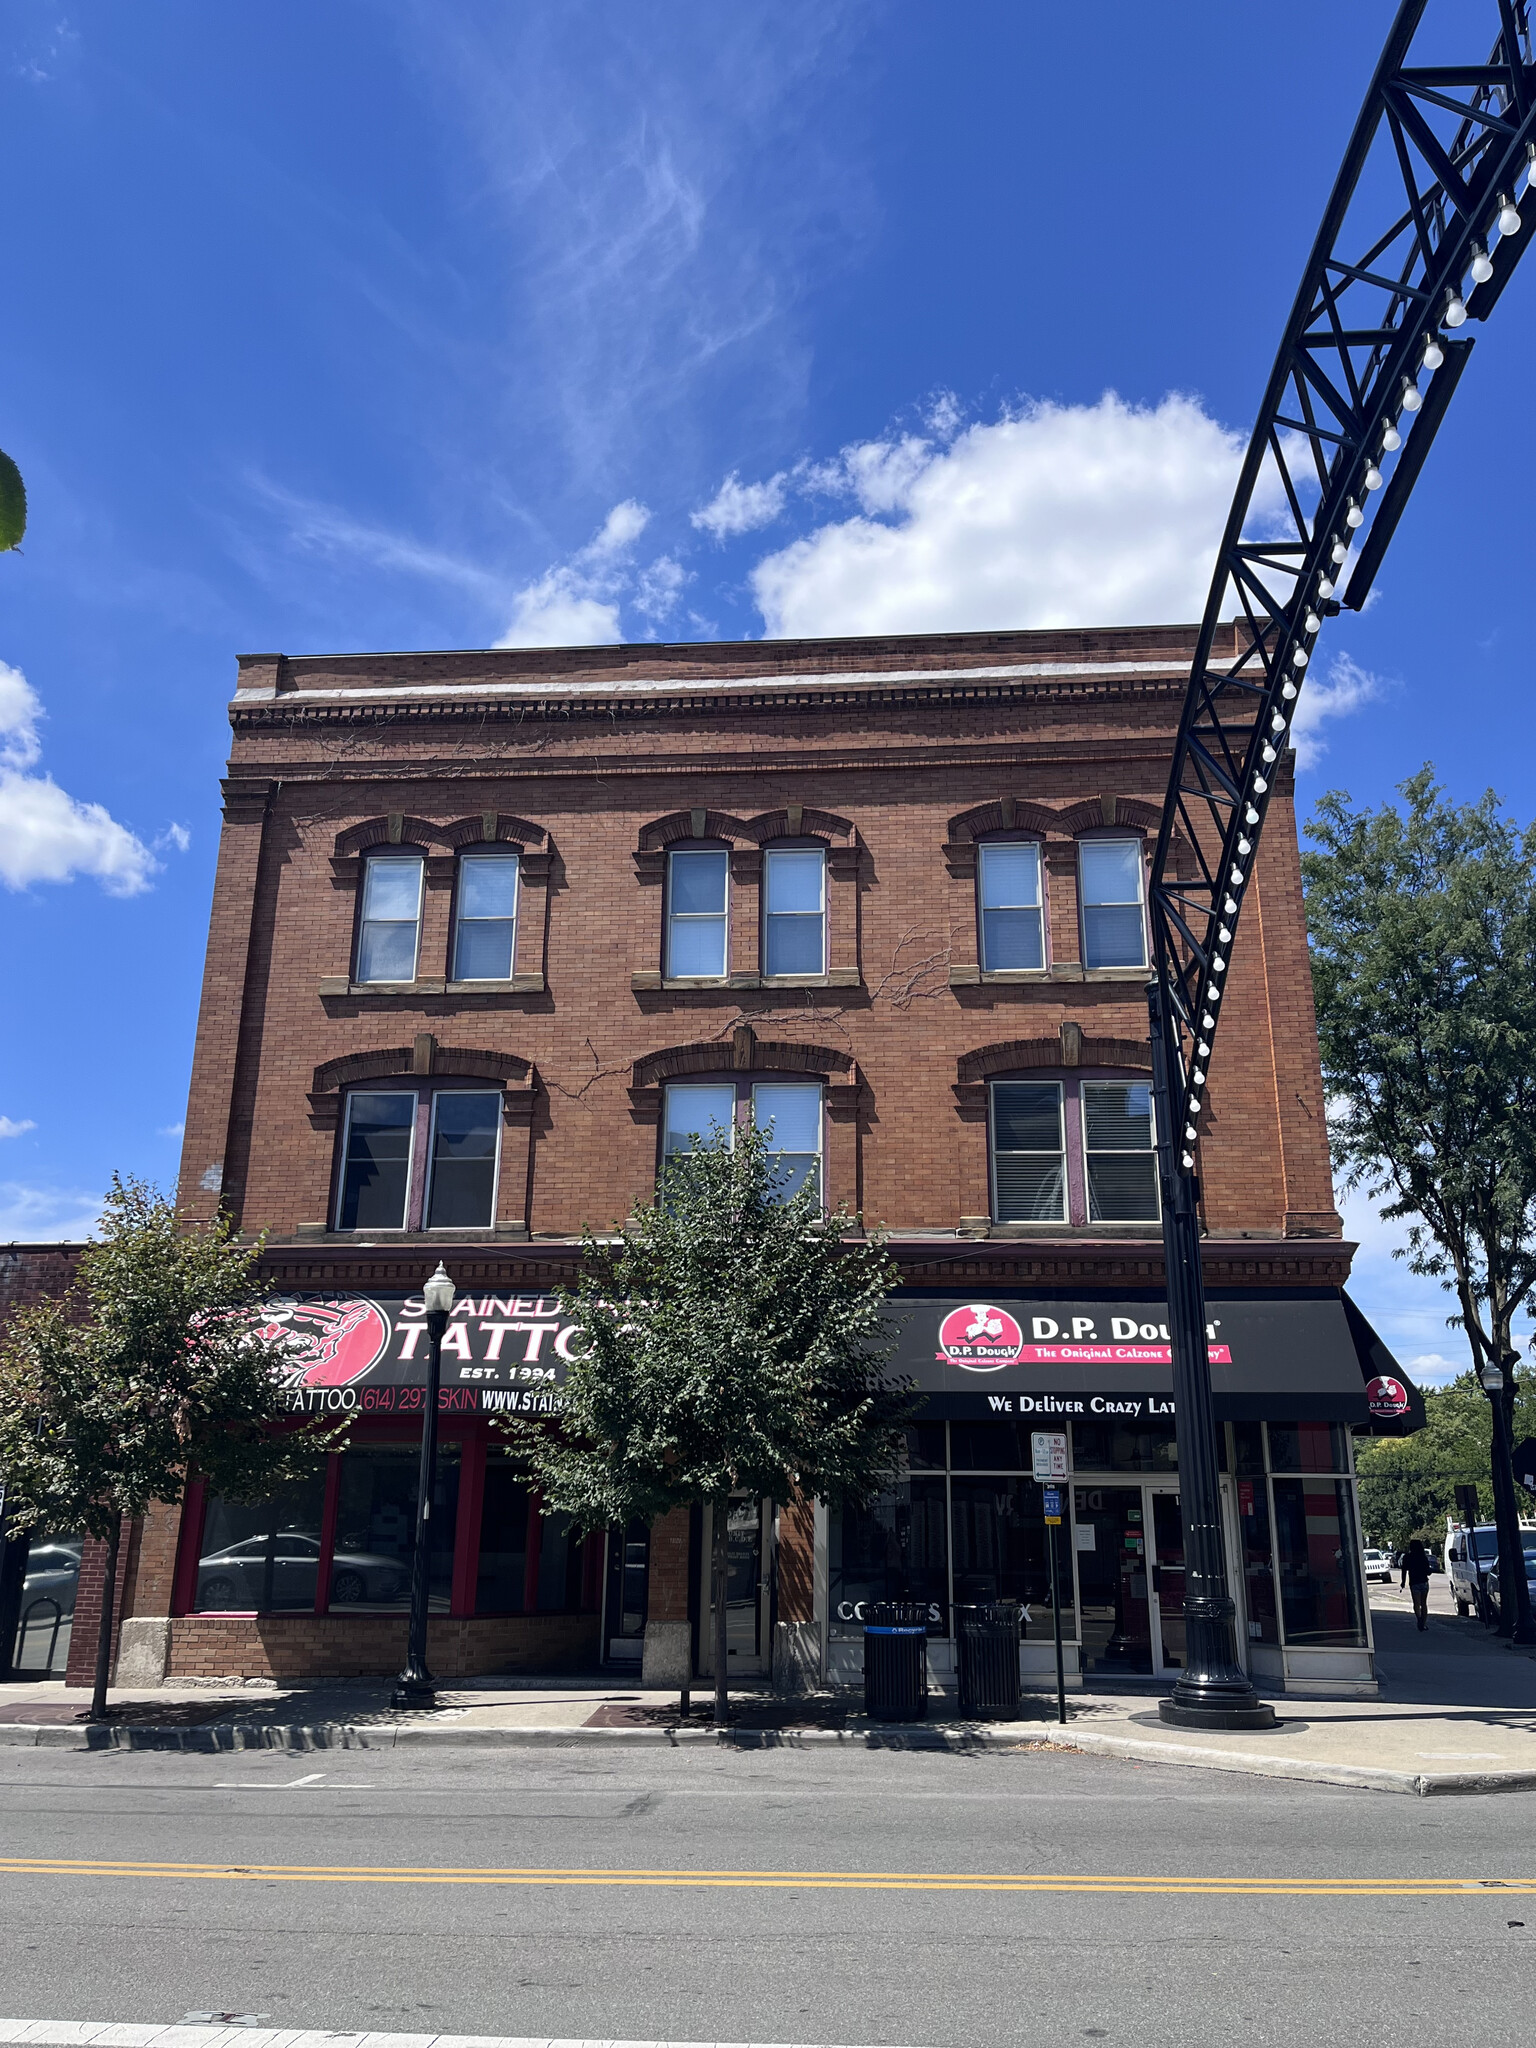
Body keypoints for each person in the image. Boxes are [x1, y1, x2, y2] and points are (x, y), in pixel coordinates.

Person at [1400, 1538, 1432, 1630]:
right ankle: (1424, 1623)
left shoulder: (1407, 1557)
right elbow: (1428, 1571)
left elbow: (1404, 1570)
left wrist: (1403, 1582)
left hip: (1414, 1582)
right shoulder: (1423, 1557)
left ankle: (1419, 1619)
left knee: (1416, 1603)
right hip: (1424, 1581)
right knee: (1424, 1604)